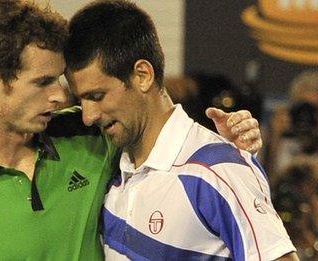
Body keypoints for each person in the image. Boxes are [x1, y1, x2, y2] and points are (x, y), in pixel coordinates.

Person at [0, 0, 263, 260]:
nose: (59, 97)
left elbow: (161, 133)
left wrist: (227, 146)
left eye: (60, 81)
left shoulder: (89, 135)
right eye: (42, 82)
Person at [64, 0, 297, 260]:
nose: (88, 116)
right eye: (81, 100)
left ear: (142, 75)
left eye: (97, 95)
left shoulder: (218, 171)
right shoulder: (111, 166)